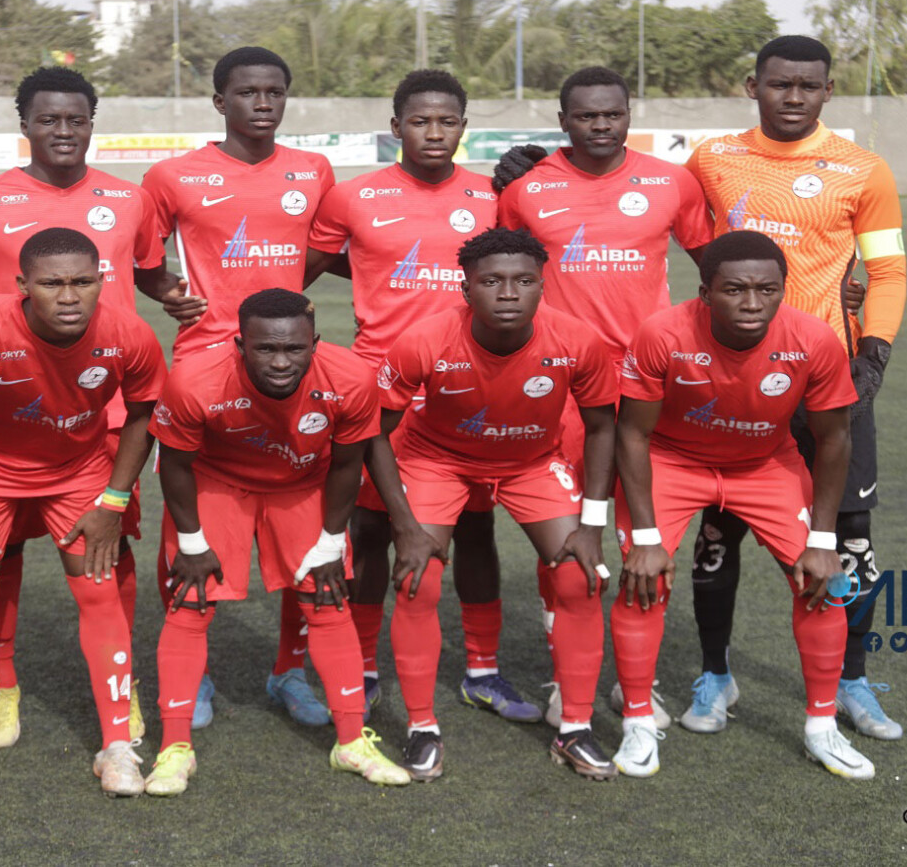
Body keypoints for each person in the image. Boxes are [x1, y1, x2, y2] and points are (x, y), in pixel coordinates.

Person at [0, 66, 197, 746]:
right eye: (48, 119)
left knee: (107, 550)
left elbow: (145, 271)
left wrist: (171, 296)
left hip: (105, 405)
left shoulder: (128, 198)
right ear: (25, 125)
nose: (63, 131)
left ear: (92, 124)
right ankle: (2, 682)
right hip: (4, 405)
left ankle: (121, 692)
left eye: (76, 119)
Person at [682, 35, 907, 740]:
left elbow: (888, 270)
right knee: (718, 529)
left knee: (851, 535)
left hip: (829, 380)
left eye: (809, 86)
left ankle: (852, 681)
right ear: (753, 87)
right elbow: (654, 207)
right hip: (735, 381)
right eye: (780, 84)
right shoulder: (713, 159)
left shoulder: (863, 170)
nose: (793, 97)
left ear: (828, 91)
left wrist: (873, 353)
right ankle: (715, 673)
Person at [304, 69, 538, 724]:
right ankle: (364, 667)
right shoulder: (353, 197)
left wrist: (542, 169)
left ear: (464, 126)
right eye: (419, 121)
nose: (434, 133)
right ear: (395, 127)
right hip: (379, 387)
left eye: (447, 121)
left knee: (476, 525)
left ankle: (483, 670)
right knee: (371, 526)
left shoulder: (494, 196)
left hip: (472, 386)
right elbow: (301, 271)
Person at [0, 227, 166, 802]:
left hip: (77, 470)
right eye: (52, 284)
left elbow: (144, 412)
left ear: (102, 280)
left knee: (99, 590)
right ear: (22, 284)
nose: (69, 296)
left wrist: (113, 501)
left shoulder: (128, 332)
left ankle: (116, 746)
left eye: (83, 282)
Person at [495, 66, 715, 727]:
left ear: (628, 115)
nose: (600, 125)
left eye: (612, 114)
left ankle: (635, 680)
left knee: (647, 534)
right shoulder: (527, 190)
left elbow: (716, 269)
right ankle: (570, 679)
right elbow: (501, 273)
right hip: (561, 391)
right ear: (562, 120)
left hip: (649, 387)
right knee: (565, 539)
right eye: (586, 115)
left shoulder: (671, 183)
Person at [611, 229, 874, 780]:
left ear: (783, 290)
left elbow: (834, 438)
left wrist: (823, 540)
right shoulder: (662, 333)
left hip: (765, 464)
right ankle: (637, 722)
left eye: (766, 290)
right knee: (643, 577)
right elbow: (632, 433)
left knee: (822, 580)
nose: (752, 303)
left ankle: (821, 727)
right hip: (673, 462)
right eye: (734, 290)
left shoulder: (813, 338)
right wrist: (647, 538)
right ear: (705, 292)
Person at [370, 228, 618, 780]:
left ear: (542, 286)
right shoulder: (425, 340)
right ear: (466, 289)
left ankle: (575, 728)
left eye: (524, 281)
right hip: (437, 460)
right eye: (492, 282)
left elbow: (603, 427)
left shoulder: (577, 340)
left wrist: (593, 524)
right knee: (417, 580)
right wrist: (404, 526)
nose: (508, 293)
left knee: (579, 576)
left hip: (532, 461)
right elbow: (374, 433)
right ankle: (421, 728)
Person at [141, 289, 410, 795]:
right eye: (266, 349)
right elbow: (174, 465)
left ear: (316, 343)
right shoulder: (196, 378)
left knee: (327, 599)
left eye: (294, 349)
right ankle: (174, 749)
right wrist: (192, 543)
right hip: (217, 481)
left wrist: (331, 541)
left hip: (303, 481)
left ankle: (351, 742)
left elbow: (348, 463)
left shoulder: (350, 377)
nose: (281, 362)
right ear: (240, 345)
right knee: (189, 600)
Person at [141, 47, 337, 728]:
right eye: (248, 92)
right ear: (220, 101)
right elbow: (141, 259)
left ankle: (290, 669)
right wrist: (170, 293)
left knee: (301, 517)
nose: (263, 103)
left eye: (274, 91)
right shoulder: (172, 175)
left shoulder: (313, 171)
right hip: (204, 361)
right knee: (186, 521)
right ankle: (192, 675)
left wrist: (281, 305)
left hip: (290, 366)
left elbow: (327, 246)